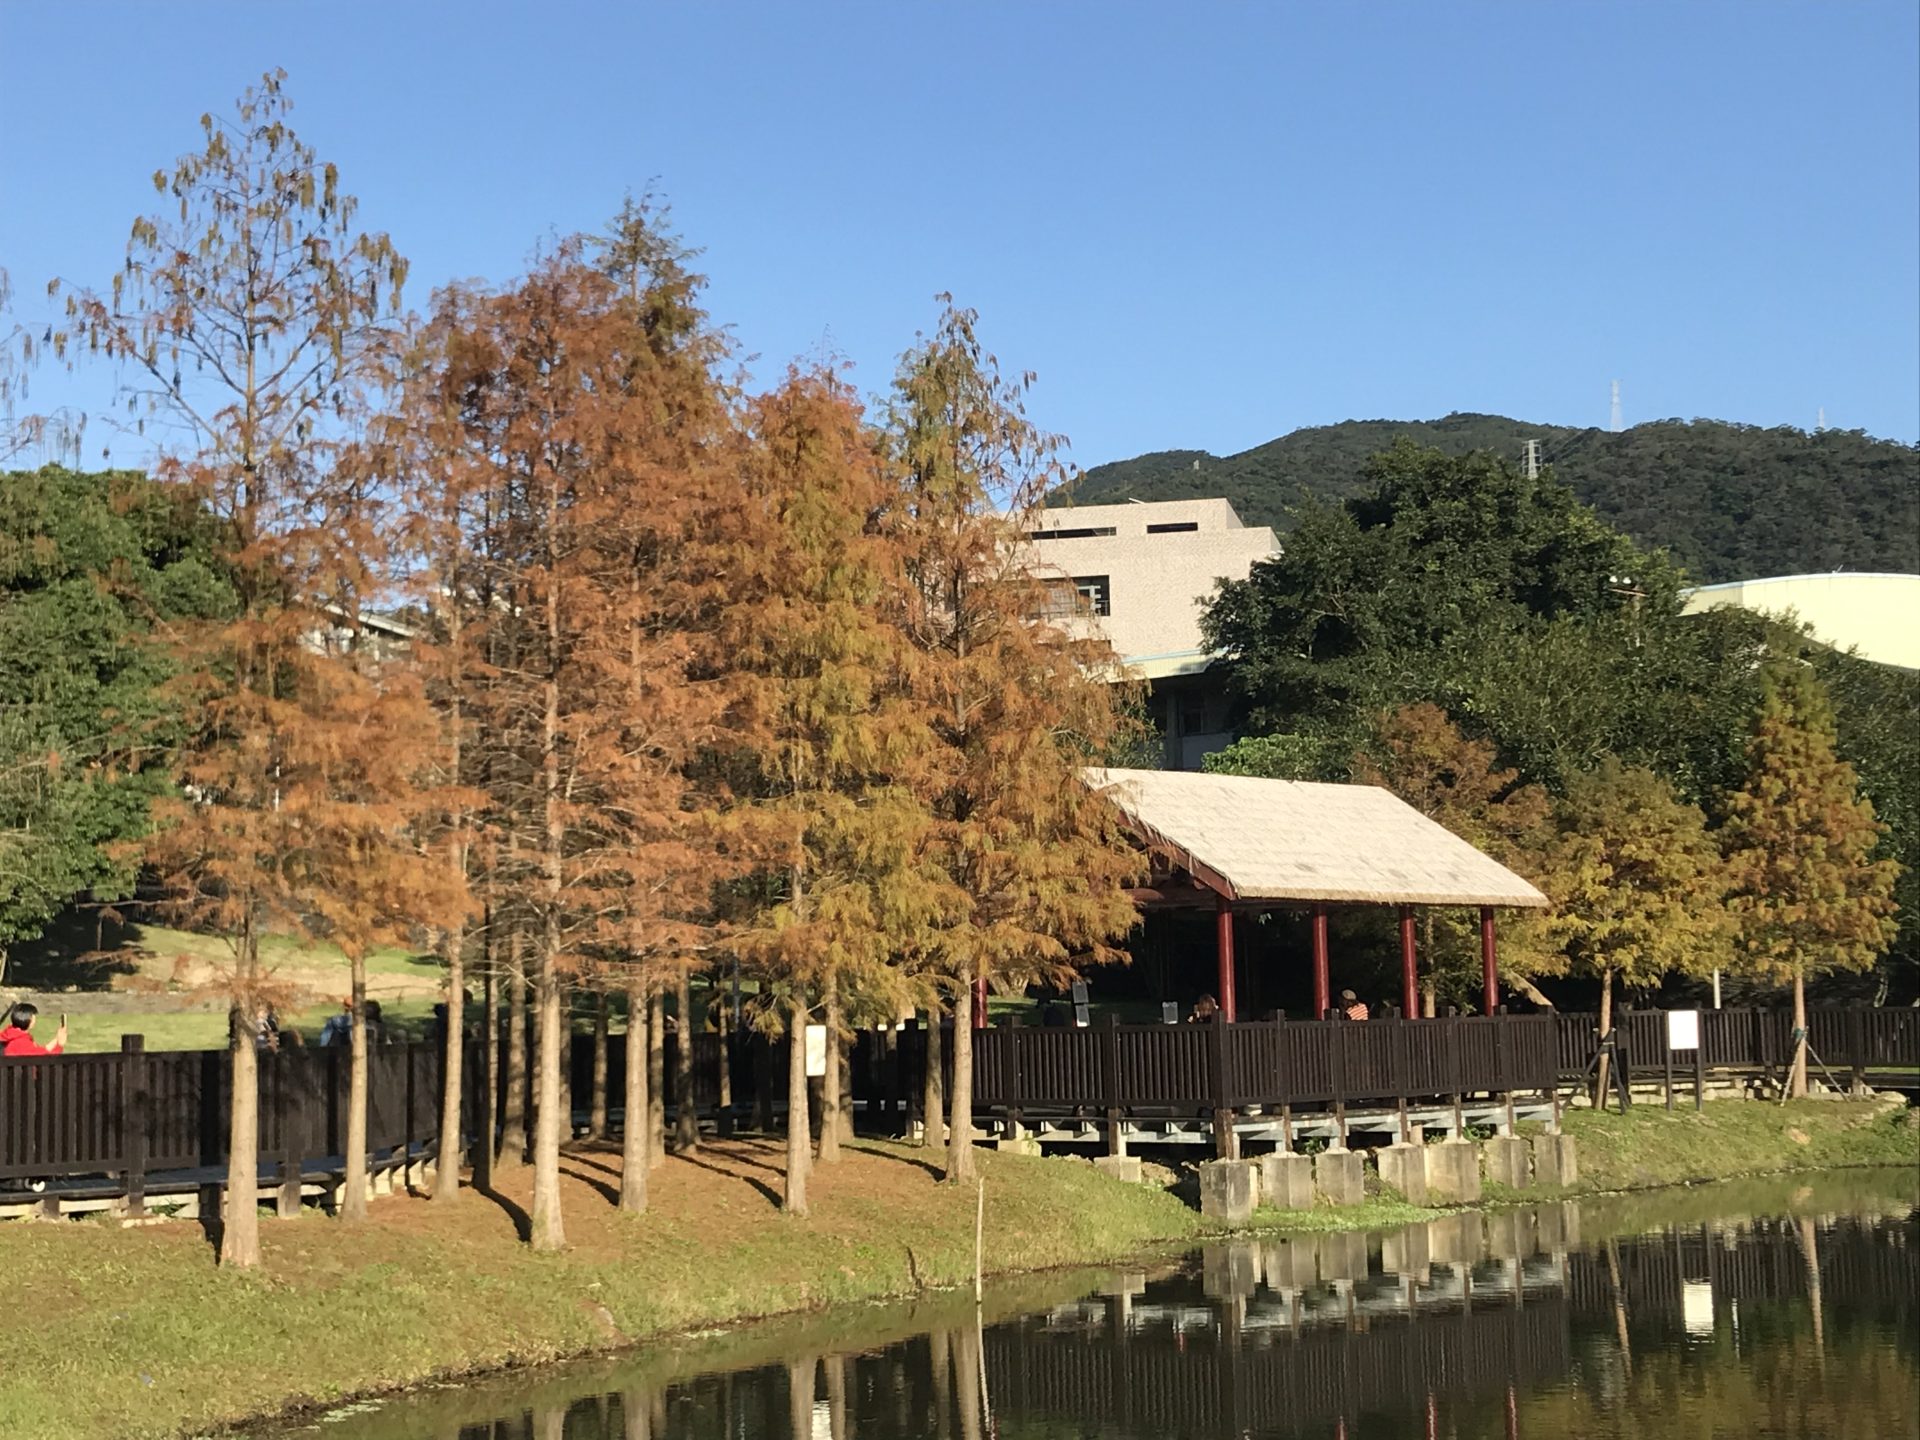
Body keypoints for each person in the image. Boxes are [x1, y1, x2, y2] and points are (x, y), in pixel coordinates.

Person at [0, 1003, 66, 1057]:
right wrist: (59, 1046)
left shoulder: (10, 1036)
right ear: (29, 1020)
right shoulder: (22, 1043)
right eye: (33, 1018)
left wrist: (57, 1038)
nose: (35, 1020)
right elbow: (46, 1060)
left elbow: (41, 1050)